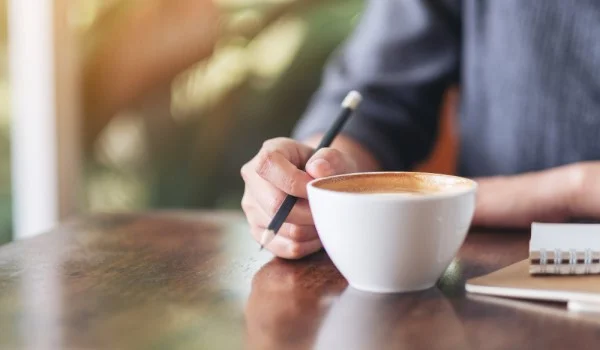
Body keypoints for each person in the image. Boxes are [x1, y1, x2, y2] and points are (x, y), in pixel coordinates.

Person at [240, 1, 600, 259]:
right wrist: (325, 168)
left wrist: (569, 191)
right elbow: (381, 96)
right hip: (493, 272)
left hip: (480, 238)